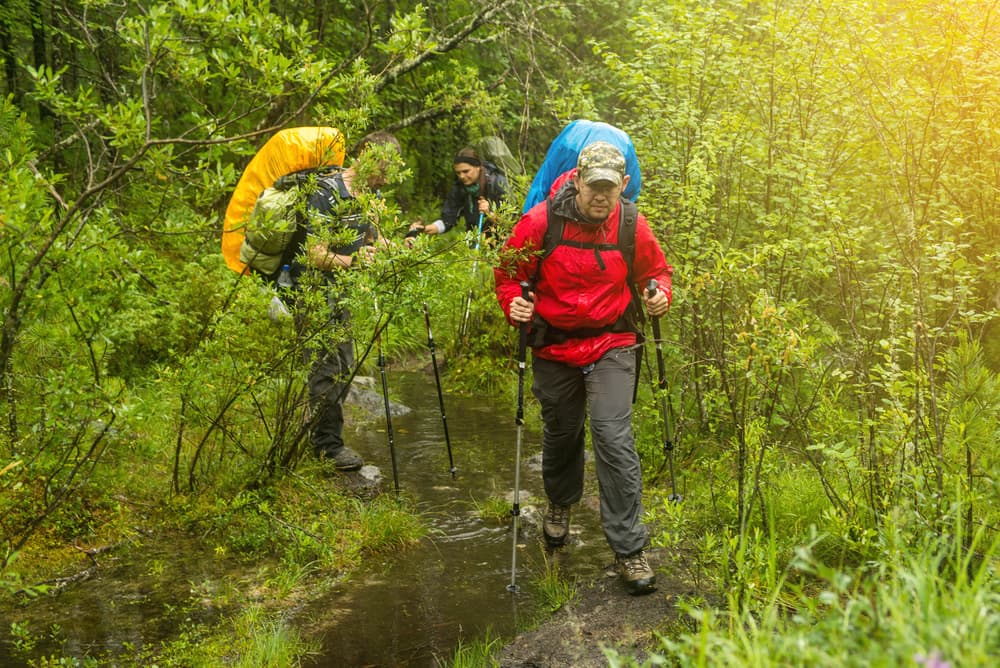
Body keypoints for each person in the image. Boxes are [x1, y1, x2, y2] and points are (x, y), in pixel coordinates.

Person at [494, 141, 672, 595]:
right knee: (562, 431)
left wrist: (658, 294)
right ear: (576, 180)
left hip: (613, 341)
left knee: (613, 436)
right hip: (555, 347)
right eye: (593, 186)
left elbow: (656, 272)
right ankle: (560, 504)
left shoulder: (632, 224)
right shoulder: (540, 222)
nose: (600, 196)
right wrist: (512, 301)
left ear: (623, 186)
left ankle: (630, 551)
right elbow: (509, 273)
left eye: (610, 189)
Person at [282, 130, 403, 471]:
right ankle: (327, 448)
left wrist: (400, 251)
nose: (385, 175)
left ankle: (325, 438)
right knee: (325, 366)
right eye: (382, 165)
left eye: (391, 169)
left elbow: (376, 242)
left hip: (343, 290)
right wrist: (354, 261)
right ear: (364, 153)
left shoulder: (369, 194)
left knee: (344, 364)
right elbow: (314, 252)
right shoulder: (325, 192)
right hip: (313, 290)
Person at [405, 146, 509, 246]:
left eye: (466, 171)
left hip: (501, 242)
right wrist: (424, 229)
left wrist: (489, 213)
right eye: (458, 173)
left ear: (478, 167)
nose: (462, 176)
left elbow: (510, 223)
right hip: (474, 239)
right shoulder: (459, 188)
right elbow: (447, 220)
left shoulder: (497, 184)